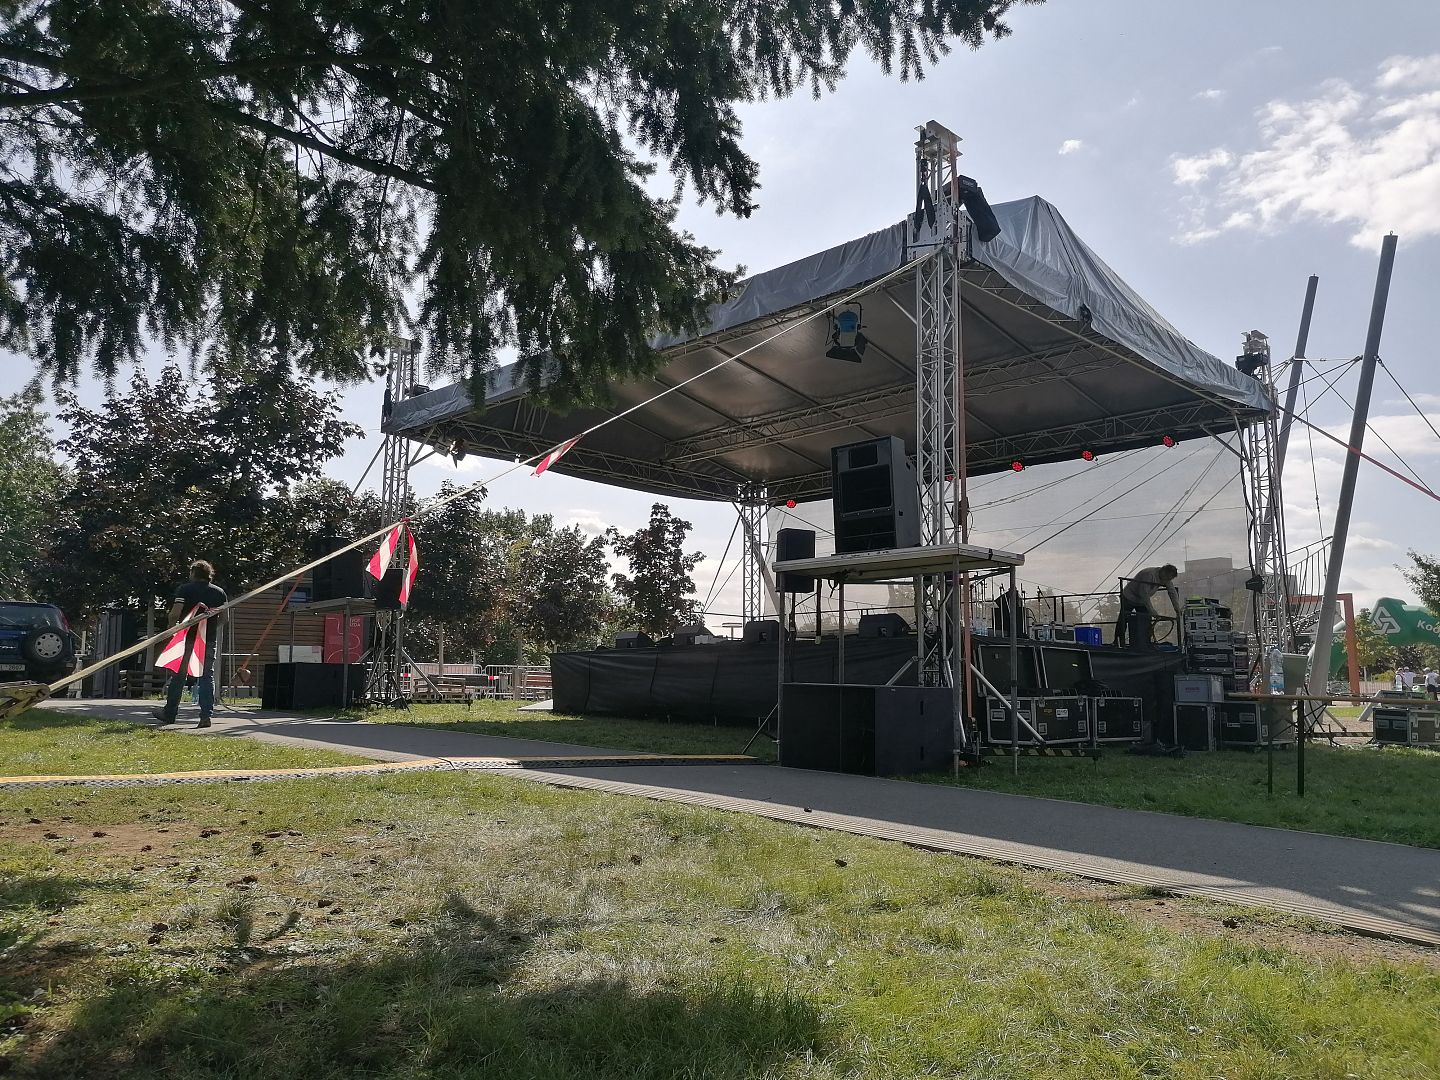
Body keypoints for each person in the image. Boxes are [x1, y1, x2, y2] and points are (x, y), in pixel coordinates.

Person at [153, 559, 227, 727]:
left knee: (179, 676)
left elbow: (174, 614)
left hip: (186, 638)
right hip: (208, 640)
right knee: (207, 676)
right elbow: (224, 618)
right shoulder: (219, 593)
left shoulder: (185, 589)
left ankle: (170, 713)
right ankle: (206, 716)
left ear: (193, 573)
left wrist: (171, 629)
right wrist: (210, 628)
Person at [1113, 564, 1181, 648]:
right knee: (1123, 619)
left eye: (1169, 579)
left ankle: (1145, 643)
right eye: (1167, 578)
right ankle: (1118, 642)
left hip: (1141, 601)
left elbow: (1172, 592)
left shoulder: (1166, 578)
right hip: (1129, 597)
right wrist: (1152, 610)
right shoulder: (1149, 574)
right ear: (1163, 572)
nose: (1166, 581)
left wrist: (1177, 609)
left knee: (1146, 620)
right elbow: (1143, 593)